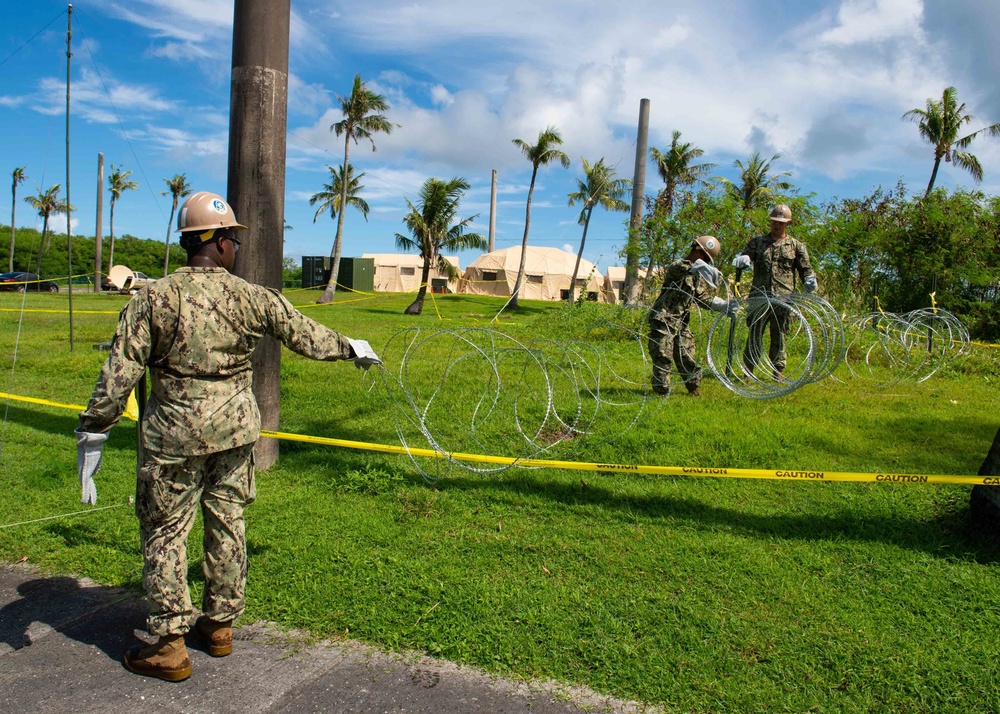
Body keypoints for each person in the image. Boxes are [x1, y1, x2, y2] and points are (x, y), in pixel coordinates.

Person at [75, 191, 381, 682]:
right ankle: (219, 624)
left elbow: (119, 373)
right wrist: (352, 349)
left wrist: (93, 431)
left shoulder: (153, 298)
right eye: (232, 239)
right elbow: (304, 333)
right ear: (217, 242)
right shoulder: (251, 296)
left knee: (165, 532)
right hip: (235, 433)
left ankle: (170, 642)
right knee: (228, 521)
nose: (235, 248)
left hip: (172, 437)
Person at [731, 204, 817, 378]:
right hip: (759, 296)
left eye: (781, 223)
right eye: (774, 222)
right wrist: (745, 258)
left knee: (780, 336)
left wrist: (810, 280)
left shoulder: (796, 246)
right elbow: (747, 254)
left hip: (784, 299)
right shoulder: (757, 243)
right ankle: (749, 371)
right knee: (755, 333)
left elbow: (806, 269)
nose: (776, 225)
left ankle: (778, 371)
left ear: (788, 223)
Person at [647, 235, 736, 396]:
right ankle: (662, 390)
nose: (704, 261)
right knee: (662, 354)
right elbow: (678, 268)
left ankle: (693, 386)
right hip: (663, 318)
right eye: (703, 256)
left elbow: (702, 298)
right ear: (695, 250)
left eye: (706, 260)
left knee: (686, 354)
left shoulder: (697, 276)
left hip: (681, 321)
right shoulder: (678, 267)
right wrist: (695, 267)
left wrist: (723, 305)